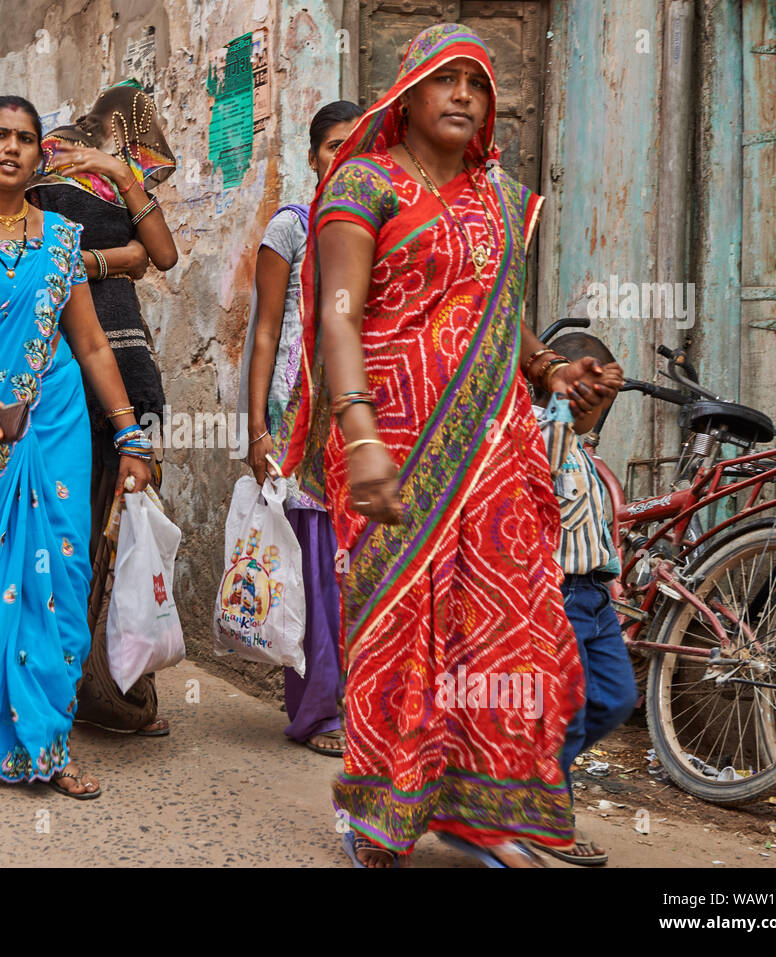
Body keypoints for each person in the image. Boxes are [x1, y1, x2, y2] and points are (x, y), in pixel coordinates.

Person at [276, 23, 616, 868]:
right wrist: (356, 434)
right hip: (393, 435)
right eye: (446, 79)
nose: (464, 95)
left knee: (506, 624)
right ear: (408, 91)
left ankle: (484, 805)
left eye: (479, 83)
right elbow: (338, 315)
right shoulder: (366, 183)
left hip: (496, 442)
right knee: (398, 627)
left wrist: (549, 368)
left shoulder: (500, 196)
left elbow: (493, 307)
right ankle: (383, 810)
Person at [0, 95, 151, 798]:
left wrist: (130, 431)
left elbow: (92, 342)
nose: (12, 148)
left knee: (56, 575)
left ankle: (45, 738)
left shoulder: (62, 239)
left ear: (39, 154)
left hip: (55, 423)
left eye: (25, 138)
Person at [27, 79, 178, 737]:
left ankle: (109, 689)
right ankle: (72, 683)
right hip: (71, 364)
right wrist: (112, 261)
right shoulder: (55, 157)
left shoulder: (123, 170)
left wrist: (120, 175)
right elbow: (44, 253)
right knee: (78, 523)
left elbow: (161, 256)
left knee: (122, 522)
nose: (147, 145)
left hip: (119, 367)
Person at [240, 100, 362, 758]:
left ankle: (366, 702)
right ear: (313, 155)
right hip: (300, 418)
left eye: (357, 144)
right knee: (313, 570)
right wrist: (257, 430)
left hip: (364, 416)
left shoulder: (380, 226)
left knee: (358, 565)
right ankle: (317, 711)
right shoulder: (292, 227)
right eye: (331, 145)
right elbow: (263, 333)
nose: (344, 155)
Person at [532, 332, 635, 865]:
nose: (596, 408)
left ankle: (534, 771)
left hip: (595, 600)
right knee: (565, 712)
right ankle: (548, 815)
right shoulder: (543, 434)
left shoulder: (589, 463)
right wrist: (567, 394)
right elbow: (556, 419)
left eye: (604, 401)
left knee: (616, 700)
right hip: (560, 598)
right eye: (587, 396)